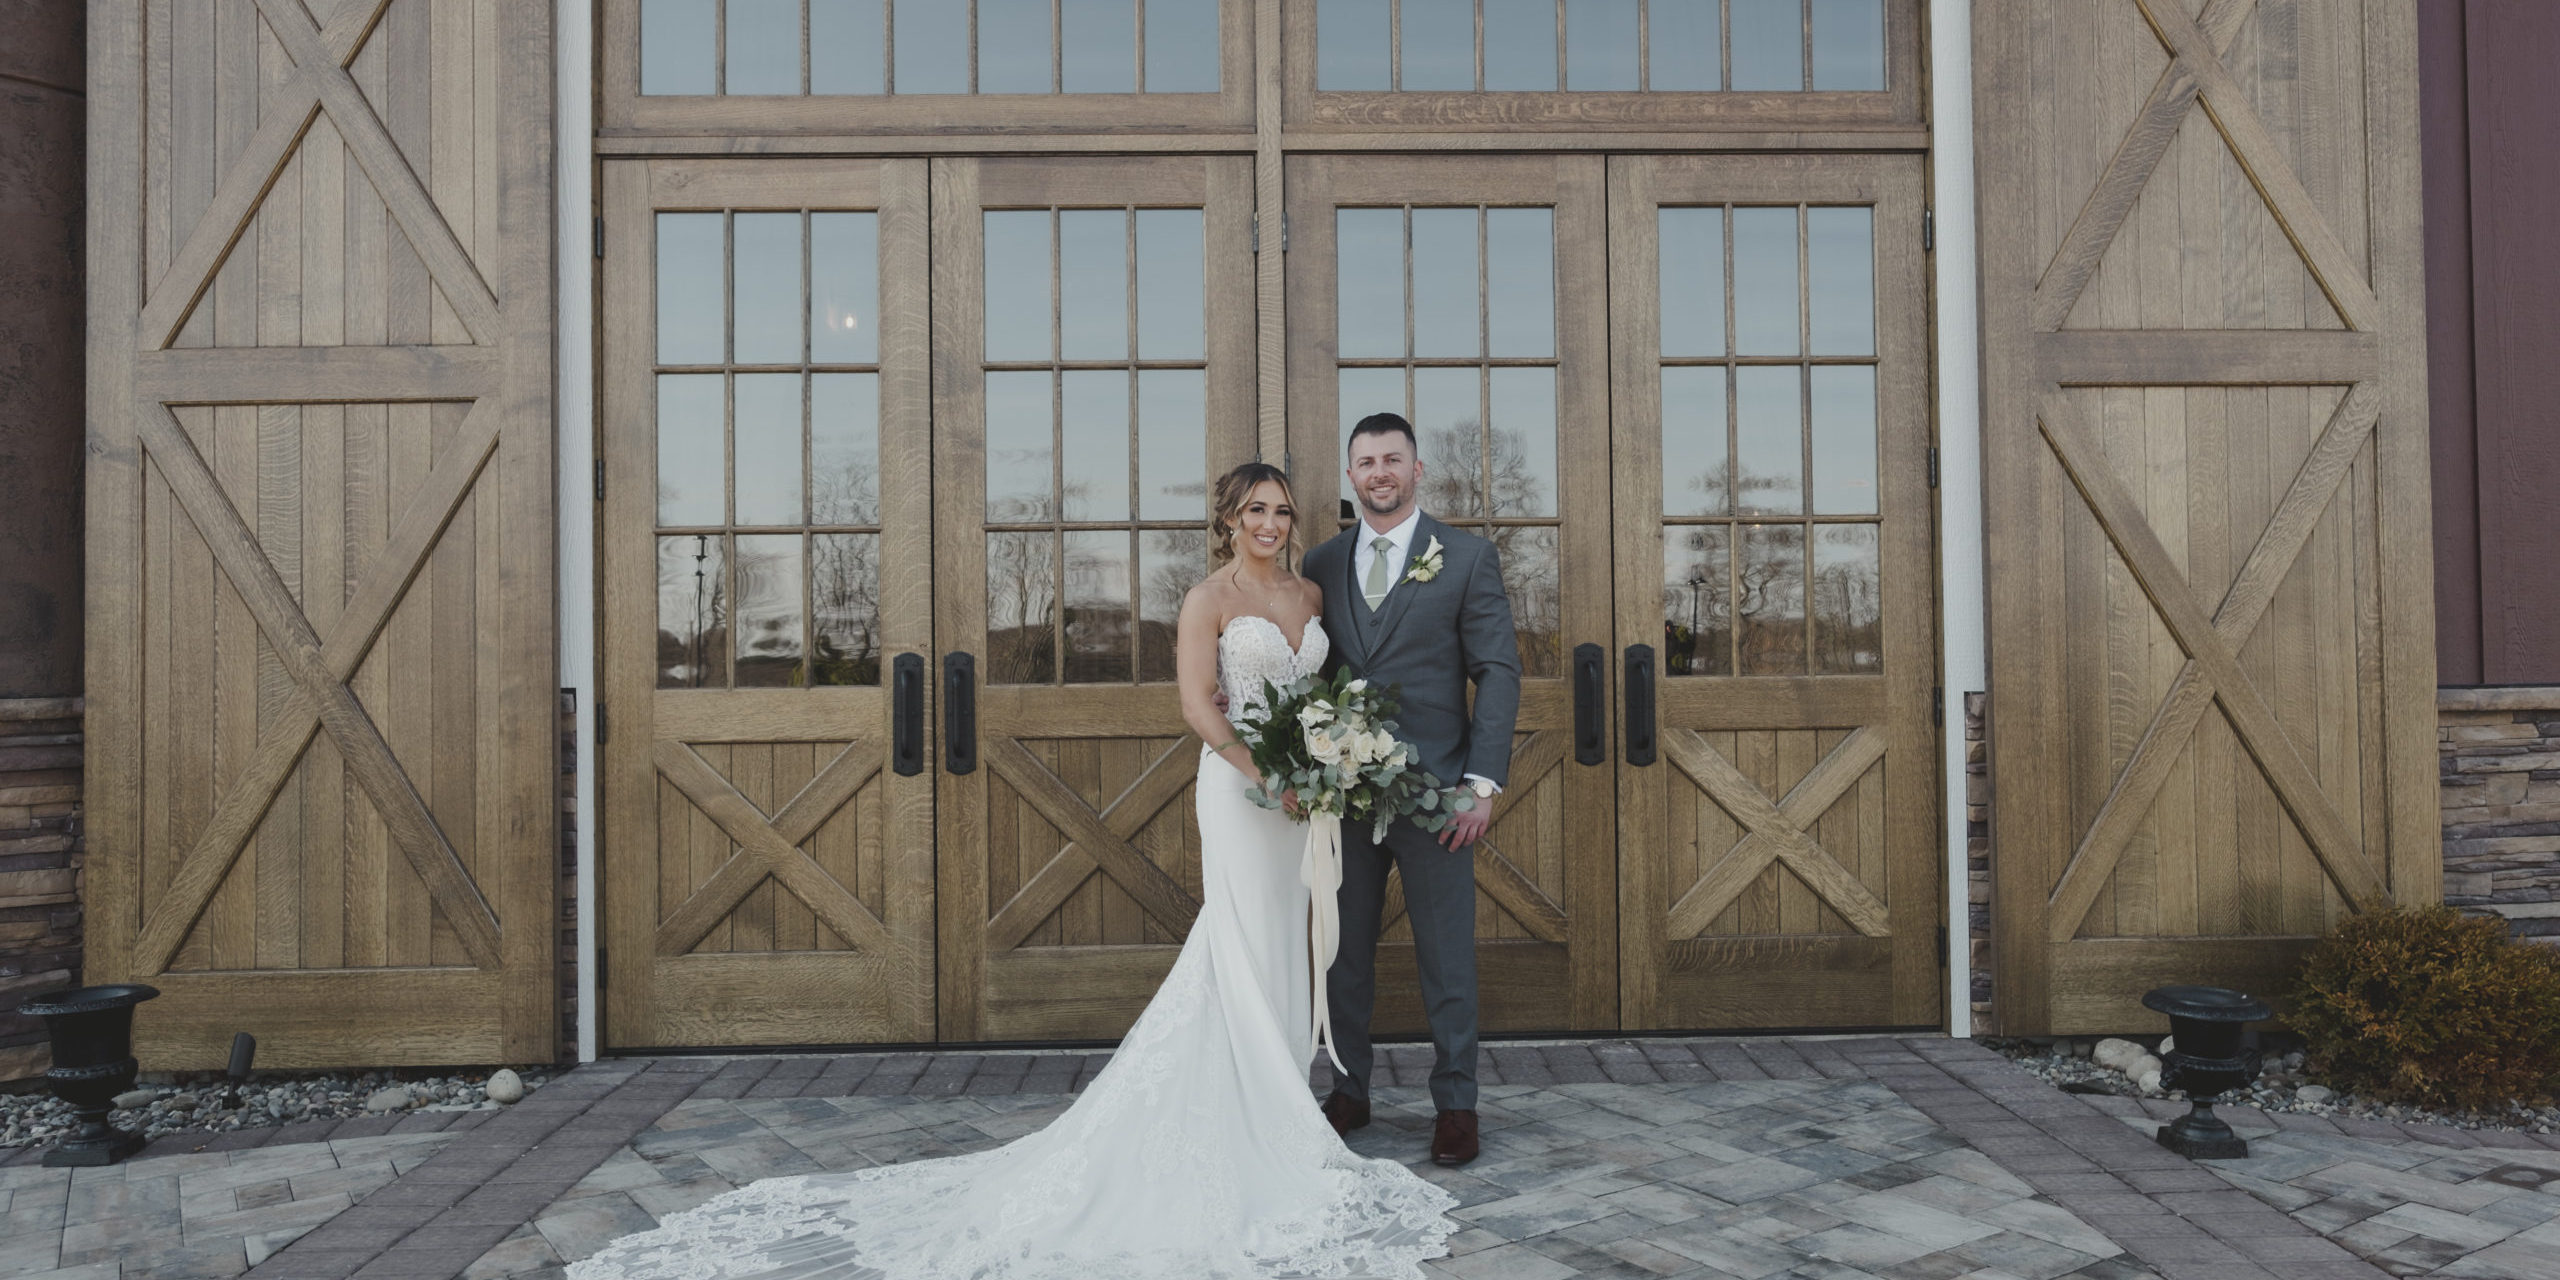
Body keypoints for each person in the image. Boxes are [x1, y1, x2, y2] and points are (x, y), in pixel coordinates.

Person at [569, 462, 1458, 1280]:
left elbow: (1325, 694)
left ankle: (1280, 1102)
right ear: (1228, 520)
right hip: (1241, 792)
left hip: (1305, 797)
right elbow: (1195, 702)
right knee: (1238, 937)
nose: (1270, 522)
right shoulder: (1207, 598)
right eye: (1254, 510)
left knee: (1288, 944)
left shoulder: (1309, 591)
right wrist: (1268, 777)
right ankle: (1260, 1114)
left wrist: (1325, 764)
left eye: (1281, 510)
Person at [1302, 413, 1522, 1169]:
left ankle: (1456, 1104)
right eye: (1364, 461)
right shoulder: (1322, 563)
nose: (1378, 472)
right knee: (1343, 955)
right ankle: (1350, 1090)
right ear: (1352, 474)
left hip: (1437, 799)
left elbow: (1496, 670)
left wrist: (1482, 783)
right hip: (1345, 795)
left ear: (1417, 469)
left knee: (1446, 958)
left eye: (1392, 459)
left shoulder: (1464, 558)